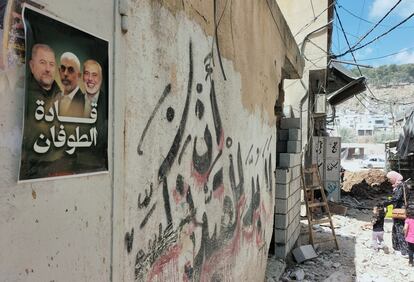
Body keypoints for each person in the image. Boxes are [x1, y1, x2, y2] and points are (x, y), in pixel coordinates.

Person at [19, 44, 62, 180]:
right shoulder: (21, 94)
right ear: (32, 66)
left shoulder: (62, 98)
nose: (48, 69)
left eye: (51, 64)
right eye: (43, 63)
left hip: (57, 170)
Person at [384, 171, 409, 257]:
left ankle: (404, 251)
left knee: (399, 229)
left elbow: (396, 198)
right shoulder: (400, 185)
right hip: (398, 210)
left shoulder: (400, 186)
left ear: (394, 177)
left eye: (390, 179)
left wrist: (385, 203)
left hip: (400, 210)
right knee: (396, 228)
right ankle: (398, 249)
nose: (389, 180)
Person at [58, 52, 84, 117]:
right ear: (59, 71)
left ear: (79, 76)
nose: (65, 74)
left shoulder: (85, 102)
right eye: (63, 69)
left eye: (70, 70)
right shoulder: (55, 98)